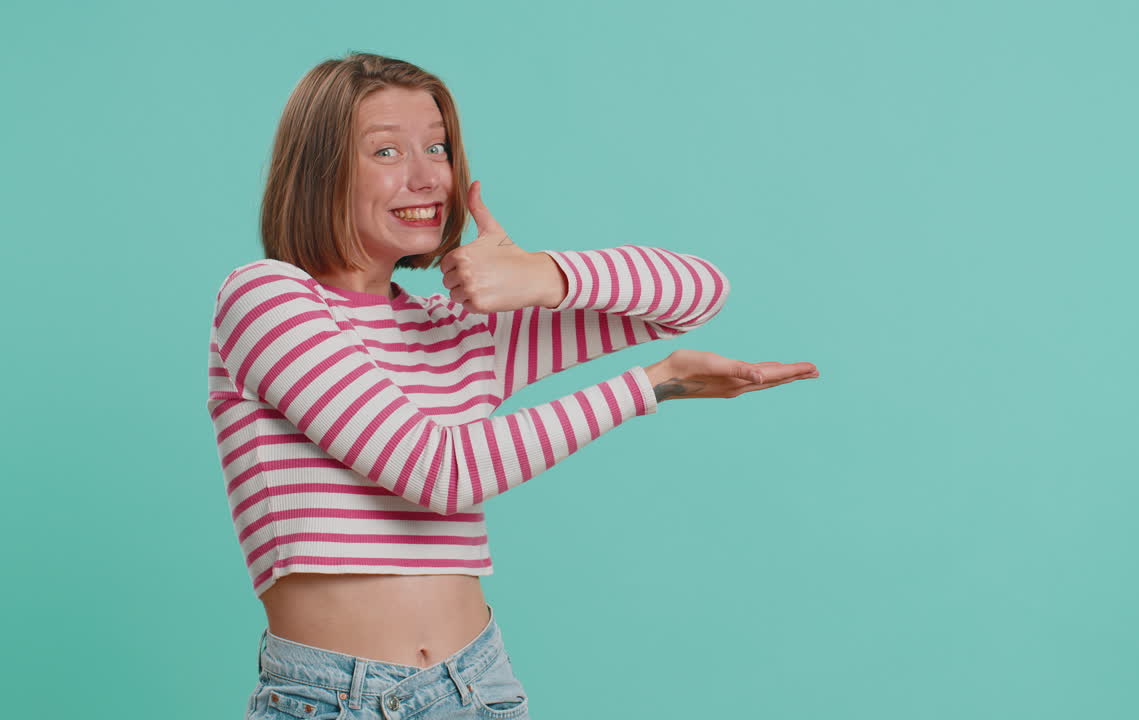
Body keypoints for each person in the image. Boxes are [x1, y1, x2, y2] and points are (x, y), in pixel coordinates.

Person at [207, 51, 819, 720]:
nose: (426, 177)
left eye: (437, 147)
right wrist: (652, 386)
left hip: (481, 686)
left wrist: (548, 276)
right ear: (321, 171)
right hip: (333, 698)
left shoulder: (453, 329)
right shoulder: (266, 299)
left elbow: (698, 293)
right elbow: (438, 473)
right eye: (386, 151)